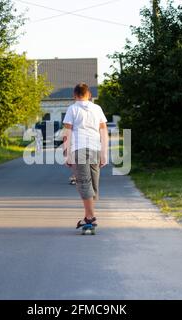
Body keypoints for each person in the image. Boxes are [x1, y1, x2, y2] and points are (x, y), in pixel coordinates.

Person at [63, 83, 109, 228]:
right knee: (93, 184)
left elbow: (67, 133)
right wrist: (104, 153)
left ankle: (90, 218)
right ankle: (88, 216)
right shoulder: (97, 108)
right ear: (89, 94)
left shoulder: (72, 108)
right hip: (95, 149)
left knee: (84, 183)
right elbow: (104, 132)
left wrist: (67, 154)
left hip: (79, 148)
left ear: (74, 95)